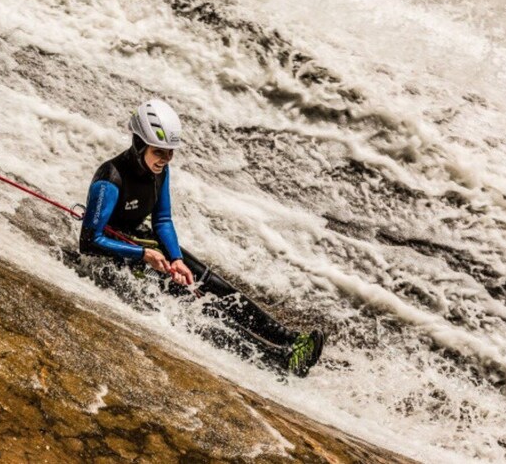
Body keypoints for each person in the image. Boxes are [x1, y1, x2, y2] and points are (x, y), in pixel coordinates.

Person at [79, 99, 324, 377]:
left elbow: (161, 220)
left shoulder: (160, 171)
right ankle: (276, 360)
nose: (166, 159)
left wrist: (176, 258)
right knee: (193, 306)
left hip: (144, 245)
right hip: (116, 259)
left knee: (214, 285)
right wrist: (142, 255)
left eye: (170, 153)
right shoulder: (109, 180)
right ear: (138, 144)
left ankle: (289, 339)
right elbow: (88, 241)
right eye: (159, 151)